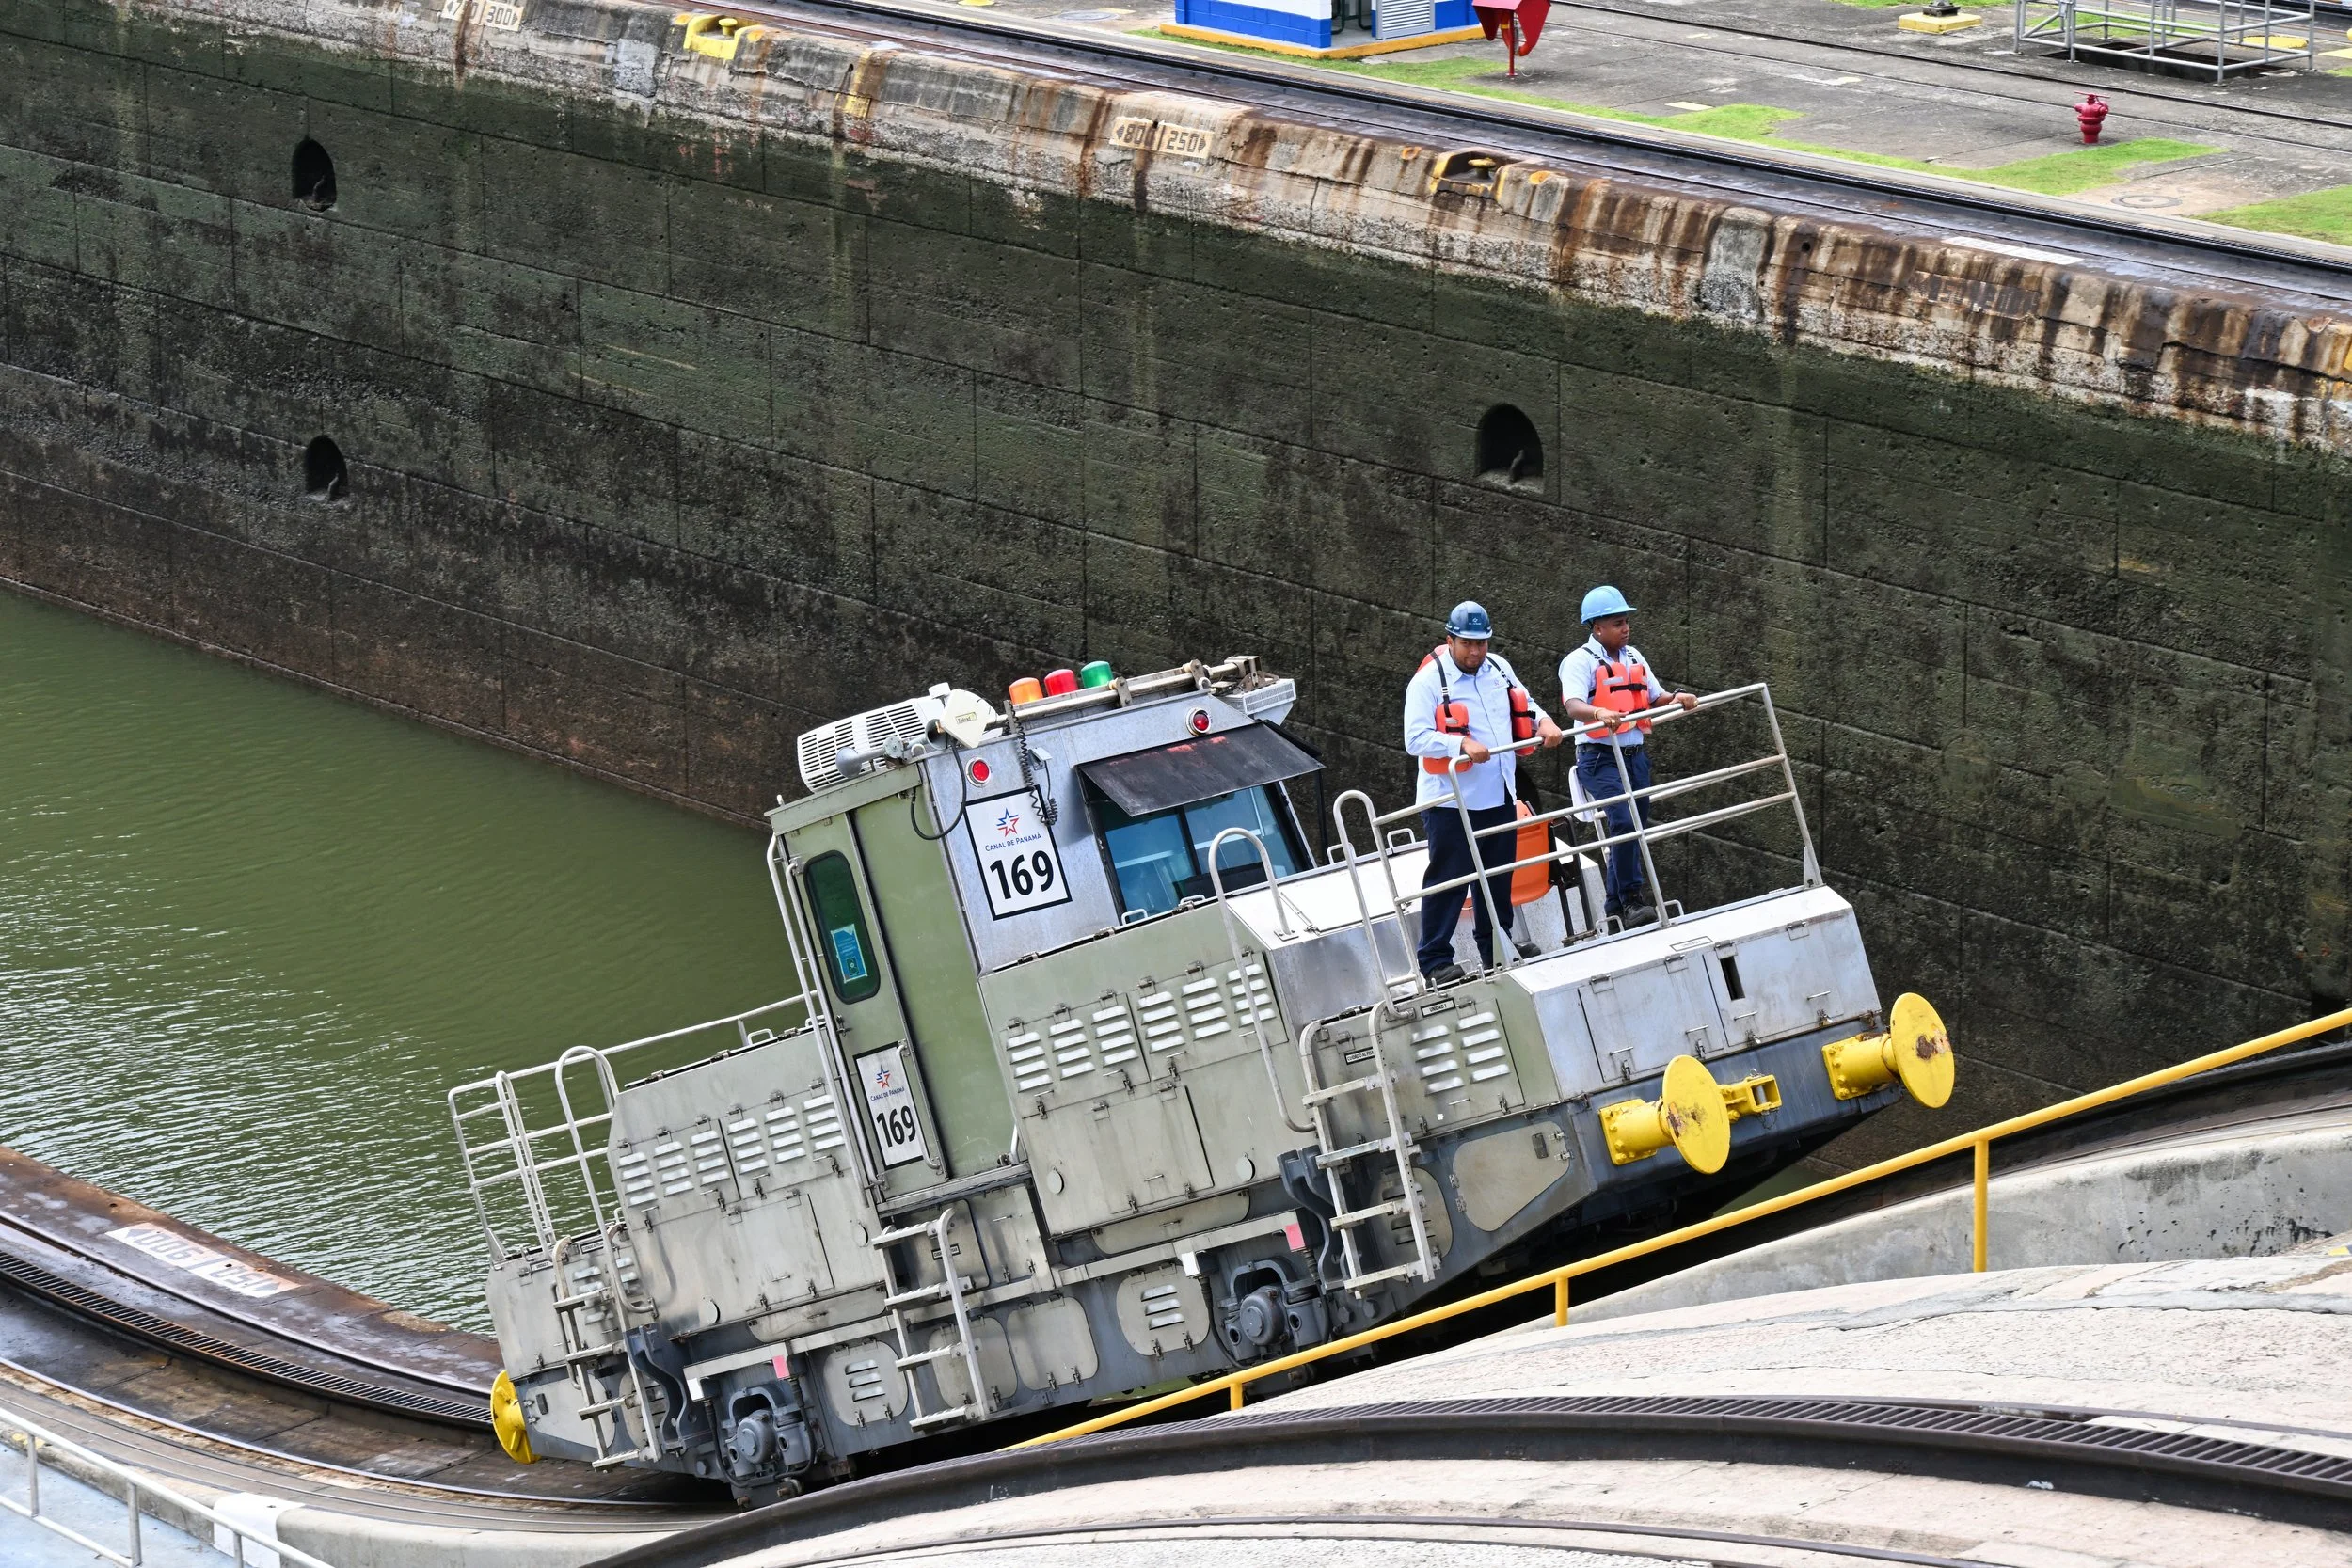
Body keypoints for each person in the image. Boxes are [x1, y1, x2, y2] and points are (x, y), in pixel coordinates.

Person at [1403, 601, 1565, 985]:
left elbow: (1527, 703)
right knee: (1449, 878)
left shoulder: (1499, 669)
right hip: (1451, 801)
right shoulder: (1427, 683)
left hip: (1499, 794)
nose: (1475, 652)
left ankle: (1497, 948)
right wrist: (1459, 745)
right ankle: (1436, 961)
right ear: (1450, 640)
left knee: (1497, 877)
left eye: (1482, 643)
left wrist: (1545, 721)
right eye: (1467, 644)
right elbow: (1415, 738)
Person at [1558, 586, 1698, 927]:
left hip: (1635, 755)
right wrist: (1598, 712)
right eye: (1618, 622)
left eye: (1626, 622)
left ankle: (1612, 907)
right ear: (1596, 628)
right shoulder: (1579, 661)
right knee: (1623, 820)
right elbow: (1573, 704)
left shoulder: (1633, 657)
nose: (1626, 628)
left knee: (1635, 825)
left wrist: (1679, 697)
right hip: (1599, 756)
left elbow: (1656, 696)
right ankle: (1633, 899)